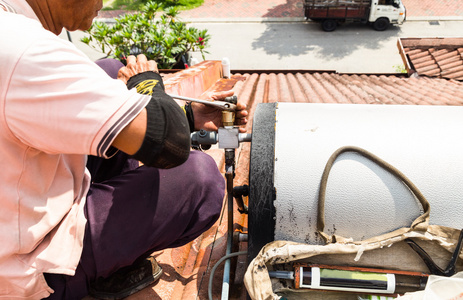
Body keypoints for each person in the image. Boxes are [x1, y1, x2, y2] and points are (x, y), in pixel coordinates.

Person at [0, 0, 248, 299]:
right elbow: (169, 146)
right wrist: (146, 84)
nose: (102, 3)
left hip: (16, 206)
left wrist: (185, 117)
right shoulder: (27, 49)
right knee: (200, 179)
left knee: (107, 71)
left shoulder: (10, 25)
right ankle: (105, 267)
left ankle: (110, 247)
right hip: (25, 268)